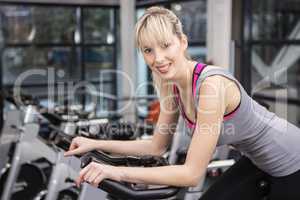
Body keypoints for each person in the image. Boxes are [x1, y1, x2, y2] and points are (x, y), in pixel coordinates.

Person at [64, 6, 300, 200]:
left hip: (293, 160)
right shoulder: (170, 85)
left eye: (165, 45)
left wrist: (114, 172)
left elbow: (192, 174)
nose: (158, 58)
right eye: (148, 50)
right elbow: (156, 147)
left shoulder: (211, 86)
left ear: (183, 42)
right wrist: (95, 144)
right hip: (258, 159)